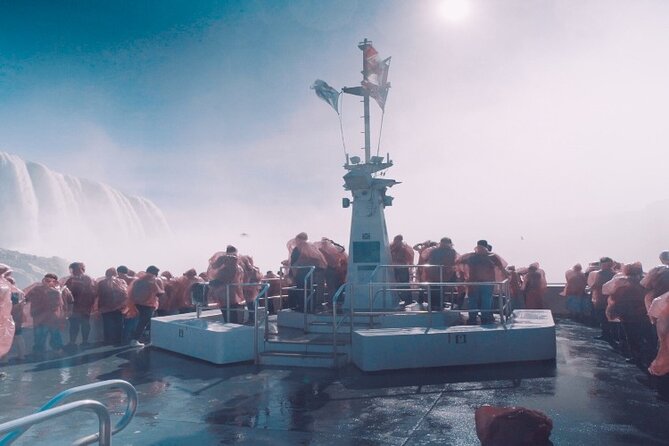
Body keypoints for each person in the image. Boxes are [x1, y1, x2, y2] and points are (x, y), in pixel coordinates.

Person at [604, 262, 655, 366]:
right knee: (647, 336)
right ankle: (650, 357)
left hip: (627, 313)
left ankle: (636, 358)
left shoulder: (621, 281)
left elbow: (606, 290)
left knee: (631, 337)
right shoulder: (647, 280)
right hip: (644, 312)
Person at [456, 240, 508, 325]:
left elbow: (457, 263)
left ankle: (473, 318)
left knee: (474, 300)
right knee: (485, 300)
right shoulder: (492, 256)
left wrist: (461, 277)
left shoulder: (470, 257)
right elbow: (501, 268)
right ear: (487, 246)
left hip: (475, 283)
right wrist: (507, 276)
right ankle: (485, 318)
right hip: (485, 283)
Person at [24, 273, 73, 358]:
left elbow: (67, 301)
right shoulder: (37, 289)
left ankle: (57, 350)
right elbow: (26, 298)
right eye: (45, 280)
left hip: (50, 318)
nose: (46, 282)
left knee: (53, 334)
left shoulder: (58, 291)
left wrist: (68, 312)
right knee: (41, 336)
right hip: (42, 318)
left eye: (49, 281)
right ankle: (40, 352)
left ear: (55, 282)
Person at [287, 232, 326, 312]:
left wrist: (291, 274)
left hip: (301, 273)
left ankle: (303, 307)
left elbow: (294, 262)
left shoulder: (298, 248)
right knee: (310, 290)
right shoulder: (312, 247)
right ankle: (311, 306)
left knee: (302, 290)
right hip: (312, 273)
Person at [128, 266, 164, 347]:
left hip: (138, 304)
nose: (157, 274)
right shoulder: (153, 280)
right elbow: (159, 293)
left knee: (139, 322)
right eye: (156, 273)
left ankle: (136, 338)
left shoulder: (138, 280)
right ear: (153, 272)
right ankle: (135, 340)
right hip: (148, 305)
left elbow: (131, 292)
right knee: (143, 323)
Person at [64, 262, 97, 349]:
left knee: (79, 325)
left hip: (80, 307)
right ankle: (80, 342)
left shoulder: (85, 279)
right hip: (80, 307)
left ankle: (75, 342)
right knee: (80, 325)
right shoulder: (74, 279)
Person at [207, 251, 245, 323]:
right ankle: (233, 326)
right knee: (232, 313)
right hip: (230, 296)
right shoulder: (237, 268)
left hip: (225, 296)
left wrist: (213, 283)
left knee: (229, 314)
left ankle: (232, 327)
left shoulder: (227, 270)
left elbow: (223, 280)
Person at [97, 267, 128, 345]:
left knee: (107, 325)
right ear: (116, 274)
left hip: (106, 307)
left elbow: (98, 295)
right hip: (119, 308)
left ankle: (108, 341)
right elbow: (126, 294)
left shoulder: (101, 283)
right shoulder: (122, 281)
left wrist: (99, 308)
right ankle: (118, 341)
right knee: (119, 325)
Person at [425, 237, 458, 310]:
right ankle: (438, 305)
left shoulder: (434, 251)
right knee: (440, 290)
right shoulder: (451, 252)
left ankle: (433, 305)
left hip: (434, 275)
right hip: (444, 275)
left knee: (434, 290)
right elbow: (451, 263)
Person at [588, 257, 617, 341]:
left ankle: (606, 334)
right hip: (611, 298)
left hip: (601, 299)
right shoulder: (614, 274)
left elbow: (596, 285)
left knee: (603, 317)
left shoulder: (600, 274)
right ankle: (612, 335)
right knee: (610, 316)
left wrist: (589, 289)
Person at [390, 235, 415, 306]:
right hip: (394, 268)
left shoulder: (405, 248)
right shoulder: (391, 247)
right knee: (396, 284)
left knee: (405, 284)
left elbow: (409, 258)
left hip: (402, 268)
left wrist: (410, 266)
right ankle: (399, 298)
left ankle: (408, 300)